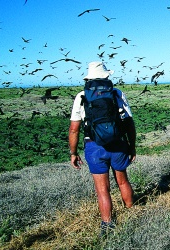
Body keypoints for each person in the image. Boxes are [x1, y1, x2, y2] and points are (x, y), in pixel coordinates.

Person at [69, 61, 136, 236]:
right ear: (107, 76)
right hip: (118, 144)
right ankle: (132, 212)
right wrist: (132, 146)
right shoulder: (117, 93)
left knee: (102, 190)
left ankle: (107, 225)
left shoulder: (82, 96)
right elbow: (129, 123)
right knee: (122, 181)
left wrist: (73, 152)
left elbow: (74, 129)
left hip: (94, 146)